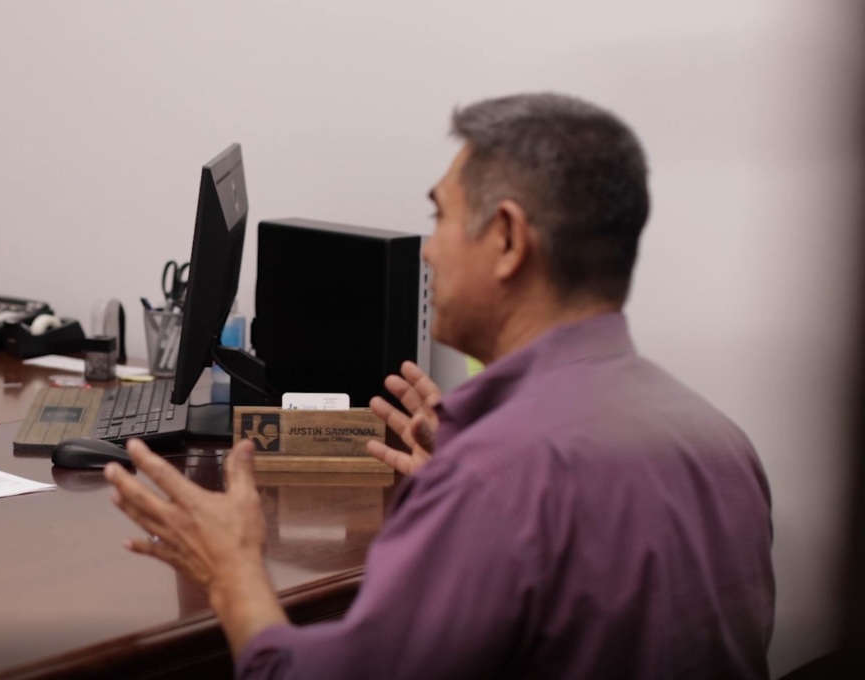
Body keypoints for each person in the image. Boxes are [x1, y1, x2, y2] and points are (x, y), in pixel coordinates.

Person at [105, 93, 775, 677]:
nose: (426, 250)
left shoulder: (498, 476)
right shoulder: (720, 442)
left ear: (508, 239)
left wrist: (233, 573)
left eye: (440, 218)